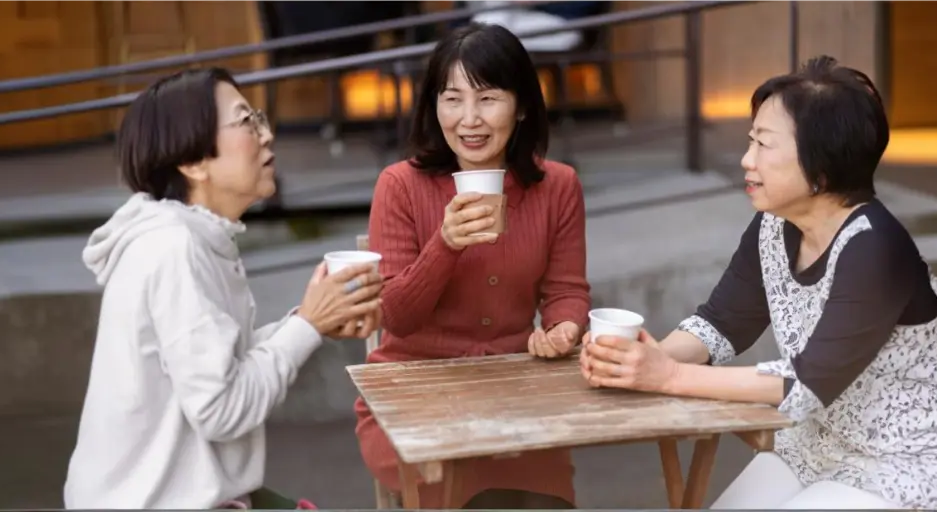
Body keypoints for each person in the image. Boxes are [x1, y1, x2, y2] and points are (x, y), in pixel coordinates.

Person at [579, 56, 937, 510]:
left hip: (930, 457)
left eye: (764, 145)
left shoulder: (875, 247)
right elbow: (722, 323)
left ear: (822, 167)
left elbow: (806, 382)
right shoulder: (775, 223)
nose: (746, 160)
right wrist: (642, 360)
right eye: (751, 140)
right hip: (819, 446)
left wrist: (668, 376)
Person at [64, 67, 383, 509]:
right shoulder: (172, 250)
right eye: (246, 122)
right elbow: (222, 410)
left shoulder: (195, 237)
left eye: (260, 118)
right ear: (194, 162)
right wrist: (308, 324)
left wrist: (312, 320)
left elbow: (221, 364)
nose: (267, 135)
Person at [354, 23, 591, 510]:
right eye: (452, 98)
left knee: (544, 502)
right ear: (433, 105)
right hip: (415, 393)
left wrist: (564, 330)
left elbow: (566, 290)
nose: (468, 119)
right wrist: (445, 244)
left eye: (487, 98)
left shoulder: (558, 185)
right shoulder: (399, 185)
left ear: (521, 105)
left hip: (514, 390)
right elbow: (395, 316)